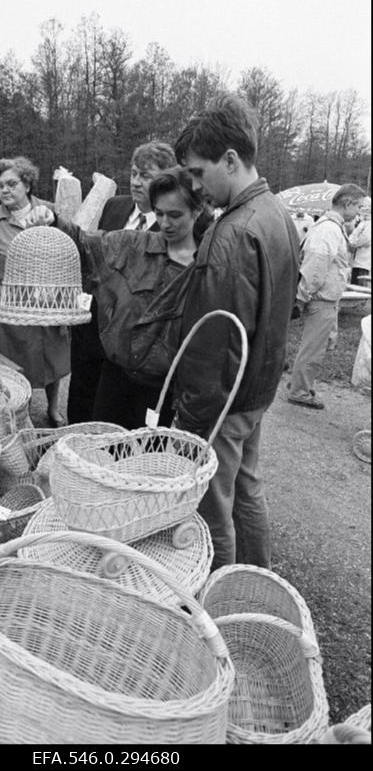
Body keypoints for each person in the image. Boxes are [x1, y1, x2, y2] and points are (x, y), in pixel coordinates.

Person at [173, 95, 300, 570]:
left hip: (227, 401)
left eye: (200, 173)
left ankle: (222, 595)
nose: (196, 185)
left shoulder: (232, 232)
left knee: (213, 507)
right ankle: (258, 579)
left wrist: (192, 417)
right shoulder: (276, 212)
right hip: (257, 389)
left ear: (230, 159)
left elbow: (213, 342)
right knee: (248, 487)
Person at [57, 167, 214, 429]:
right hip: (115, 376)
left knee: (146, 458)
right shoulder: (133, 246)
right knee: (104, 449)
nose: (165, 223)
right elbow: (86, 243)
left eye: (175, 215)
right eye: (160, 213)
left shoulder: (206, 268)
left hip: (163, 387)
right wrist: (53, 221)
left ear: (197, 211)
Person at [67, 141, 177, 424]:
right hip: (91, 329)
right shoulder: (115, 206)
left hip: (131, 342)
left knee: (117, 419)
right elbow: (94, 257)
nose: (137, 182)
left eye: (146, 175)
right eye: (134, 173)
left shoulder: (172, 227)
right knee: (81, 404)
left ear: (166, 180)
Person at [0, 156, 69, 427]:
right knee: (17, 363)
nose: (4, 190)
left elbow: (69, 250)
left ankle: (52, 408)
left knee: (53, 359)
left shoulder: (49, 212)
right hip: (13, 305)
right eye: (0, 185)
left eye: (11, 184)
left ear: (27, 185)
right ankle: (23, 412)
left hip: (50, 302)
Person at [288, 183, 367, 410]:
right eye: (358, 206)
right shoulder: (329, 230)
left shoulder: (332, 227)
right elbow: (315, 266)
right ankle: (299, 390)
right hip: (321, 299)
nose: (359, 211)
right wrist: (302, 297)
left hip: (328, 298)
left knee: (321, 344)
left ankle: (300, 383)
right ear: (347, 203)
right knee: (313, 347)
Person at [348, 195, 371, 286]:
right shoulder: (362, 222)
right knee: (355, 284)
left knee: (360, 287)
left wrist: (352, 243)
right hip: (357, 261)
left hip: (364, 263)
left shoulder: (368, 223)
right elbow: (352, 236)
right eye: (362, 208)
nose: (364, 210)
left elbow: (365, 239)